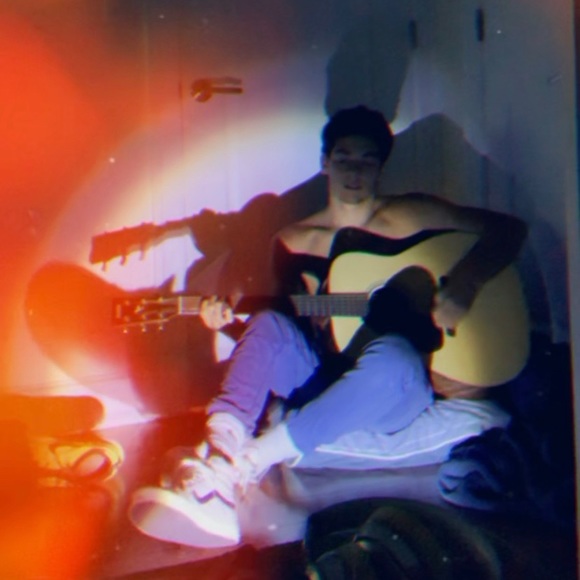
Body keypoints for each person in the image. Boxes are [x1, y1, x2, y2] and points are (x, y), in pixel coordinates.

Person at [129, 105, 527, 548]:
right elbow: (286, 327)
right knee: (267, 321)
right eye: (344, 158)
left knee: (393, 356)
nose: (354, 172)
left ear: (381, 167)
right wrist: (223, 319)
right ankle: (220, 459)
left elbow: (508, 230)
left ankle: (248, 463)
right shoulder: (292, 240)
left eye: (367, 160)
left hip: (396, 386)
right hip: (332, 374)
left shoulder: (412, 215)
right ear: (325, 162)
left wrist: (466, 283)